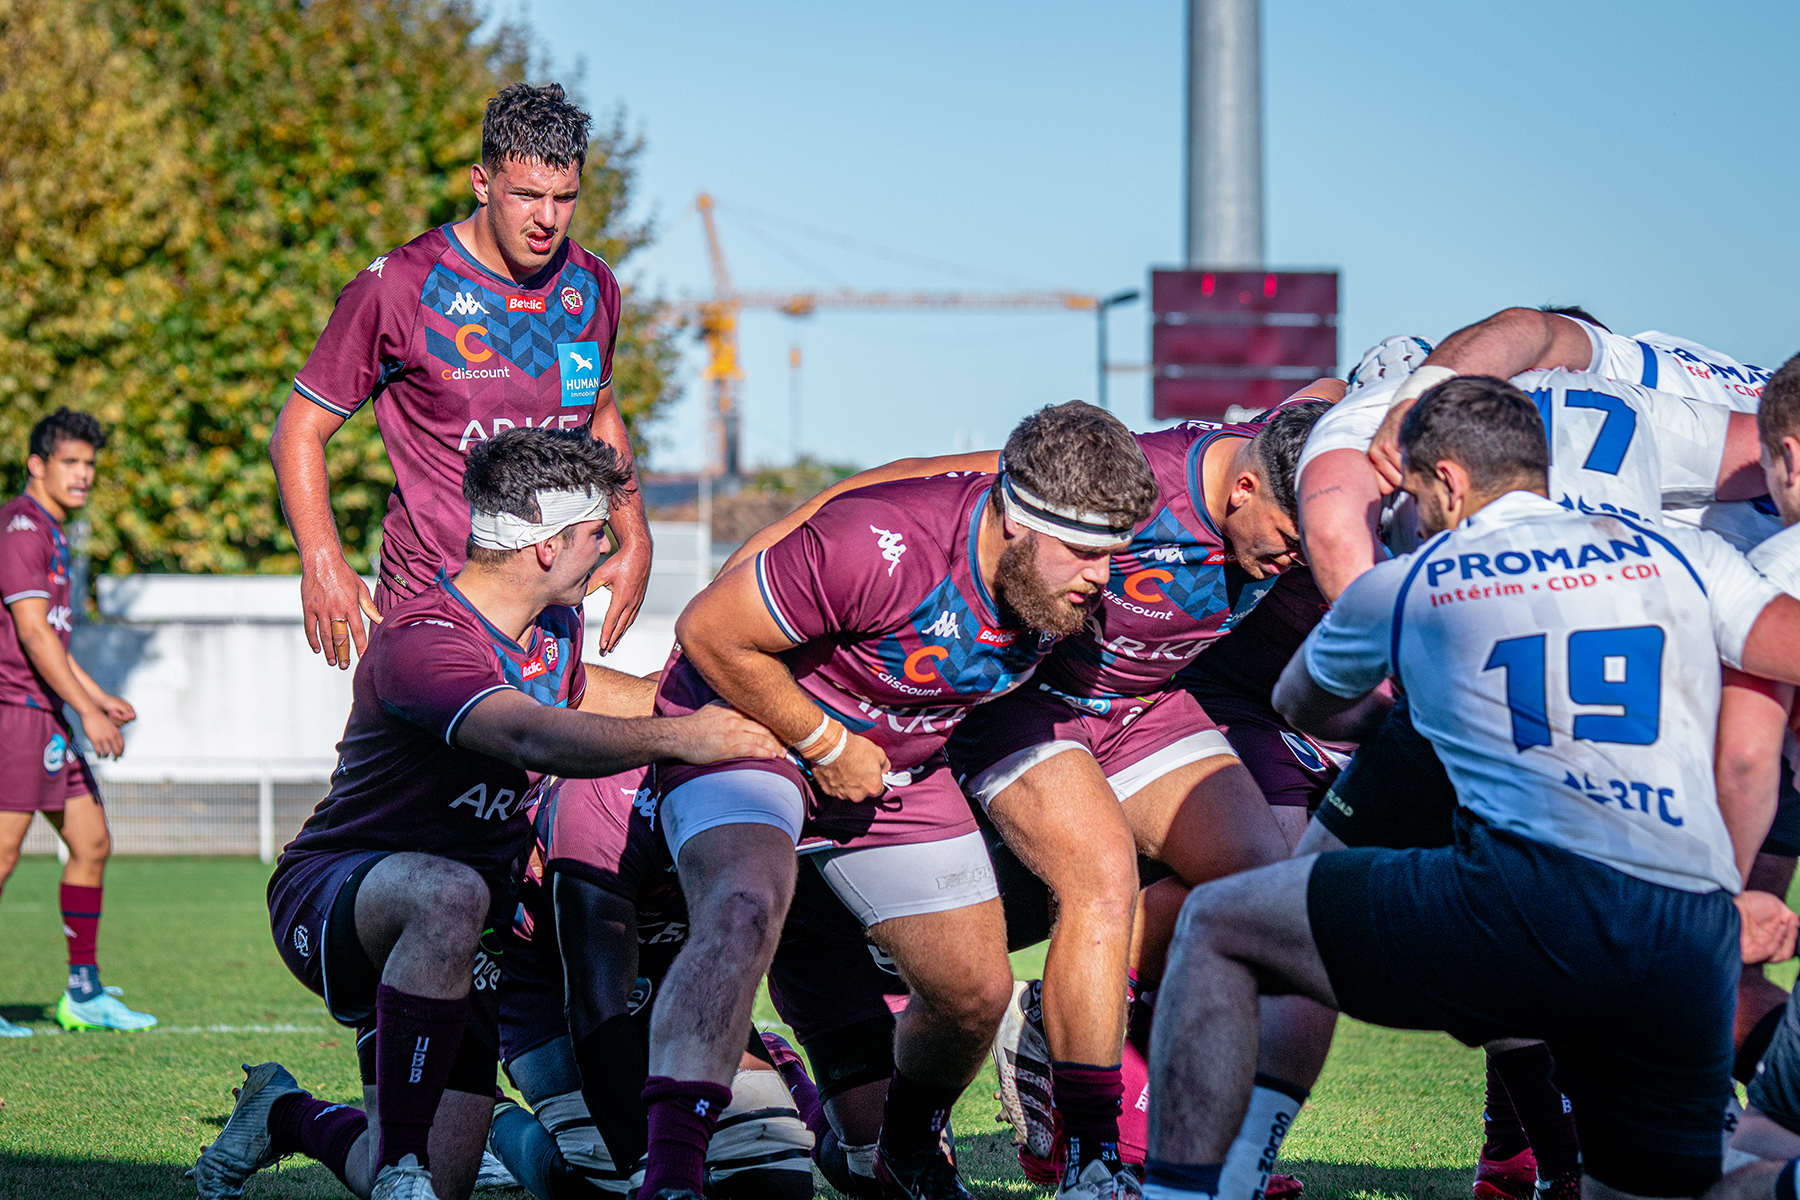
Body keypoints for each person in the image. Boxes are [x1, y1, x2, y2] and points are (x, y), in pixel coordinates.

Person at [1143, 377, 1800, 1200]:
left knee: (1218, 922)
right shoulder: (1685, 557)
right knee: (1664, 1191)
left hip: (1525, 900)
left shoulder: (1411, 581)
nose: (1410, 516)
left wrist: (1415, 710)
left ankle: (1181, 1191)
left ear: (1448, 481)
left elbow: (1300, 703)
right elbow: (1778, 675)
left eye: (1414, 492)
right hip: (1684, 923)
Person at [725, 387, 1339, 1200]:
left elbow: (1337, 394)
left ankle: (1090, 1052)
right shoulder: (1133, 472)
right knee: (1100, 880)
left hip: (1144, 709)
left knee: (1268, 892)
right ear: (1244, 489)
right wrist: (763, 560)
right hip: (1035, 708)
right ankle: (1090, 1157)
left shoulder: (1297, 465)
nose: (1297, 564)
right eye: (1292, 542)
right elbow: (926, 479)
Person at [193, 428, 779, 1200]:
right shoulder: (422, 640)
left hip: (463, 933)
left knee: (446, 1178)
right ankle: (404, 1168)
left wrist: (753, 709)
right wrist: (687, 737)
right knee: (450, 893)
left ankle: (284, 1114)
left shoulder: (553, 629)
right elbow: (527, 732)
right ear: (547, 546)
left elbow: (585, 698)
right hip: (341, 893)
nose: (608, 549)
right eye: (596, 532)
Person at [639, 401, 1159, 1200]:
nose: (1102, 577)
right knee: (741, 908)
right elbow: (709, 630)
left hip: (893, 769)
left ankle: (906, 1155)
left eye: (1113, 553)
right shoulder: (881, 544)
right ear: (1017, 520)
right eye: (1085, 552)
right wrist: (823, 741)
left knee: (975, 993)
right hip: (756, 730)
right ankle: (671, 1176)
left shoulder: (1058, 576)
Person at [270, 81, 652, 671]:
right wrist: (321, 558)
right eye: (526, 195)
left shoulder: (592, 284)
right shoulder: (401, 286)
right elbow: (297, 428)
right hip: (434, 605)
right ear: (481, 182)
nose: (546, 219)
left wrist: (636, 536)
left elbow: (599, 419)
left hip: (549, 615)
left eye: (564, 198)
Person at [489, 765, 817, 1200]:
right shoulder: (604, 794)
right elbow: (594, 1003)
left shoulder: (767, 786)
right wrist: (650, 1169)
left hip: (674, 964)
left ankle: (773, 1058)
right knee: (602, 1183)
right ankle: (490, 1112)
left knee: (772, 1178)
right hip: (553, 971)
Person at [0, 408, 152, 1036]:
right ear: (37, 465)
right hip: (15, 712)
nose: (83, 474)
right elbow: (33, 635)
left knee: (90, 843)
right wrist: (88, 711)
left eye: (89, 464)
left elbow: (54, 642)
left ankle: (83, 994)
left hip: (49, 715)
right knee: (2, 855)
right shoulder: (21, 528)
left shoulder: (55, 532)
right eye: (70, 462)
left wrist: (96, 696)